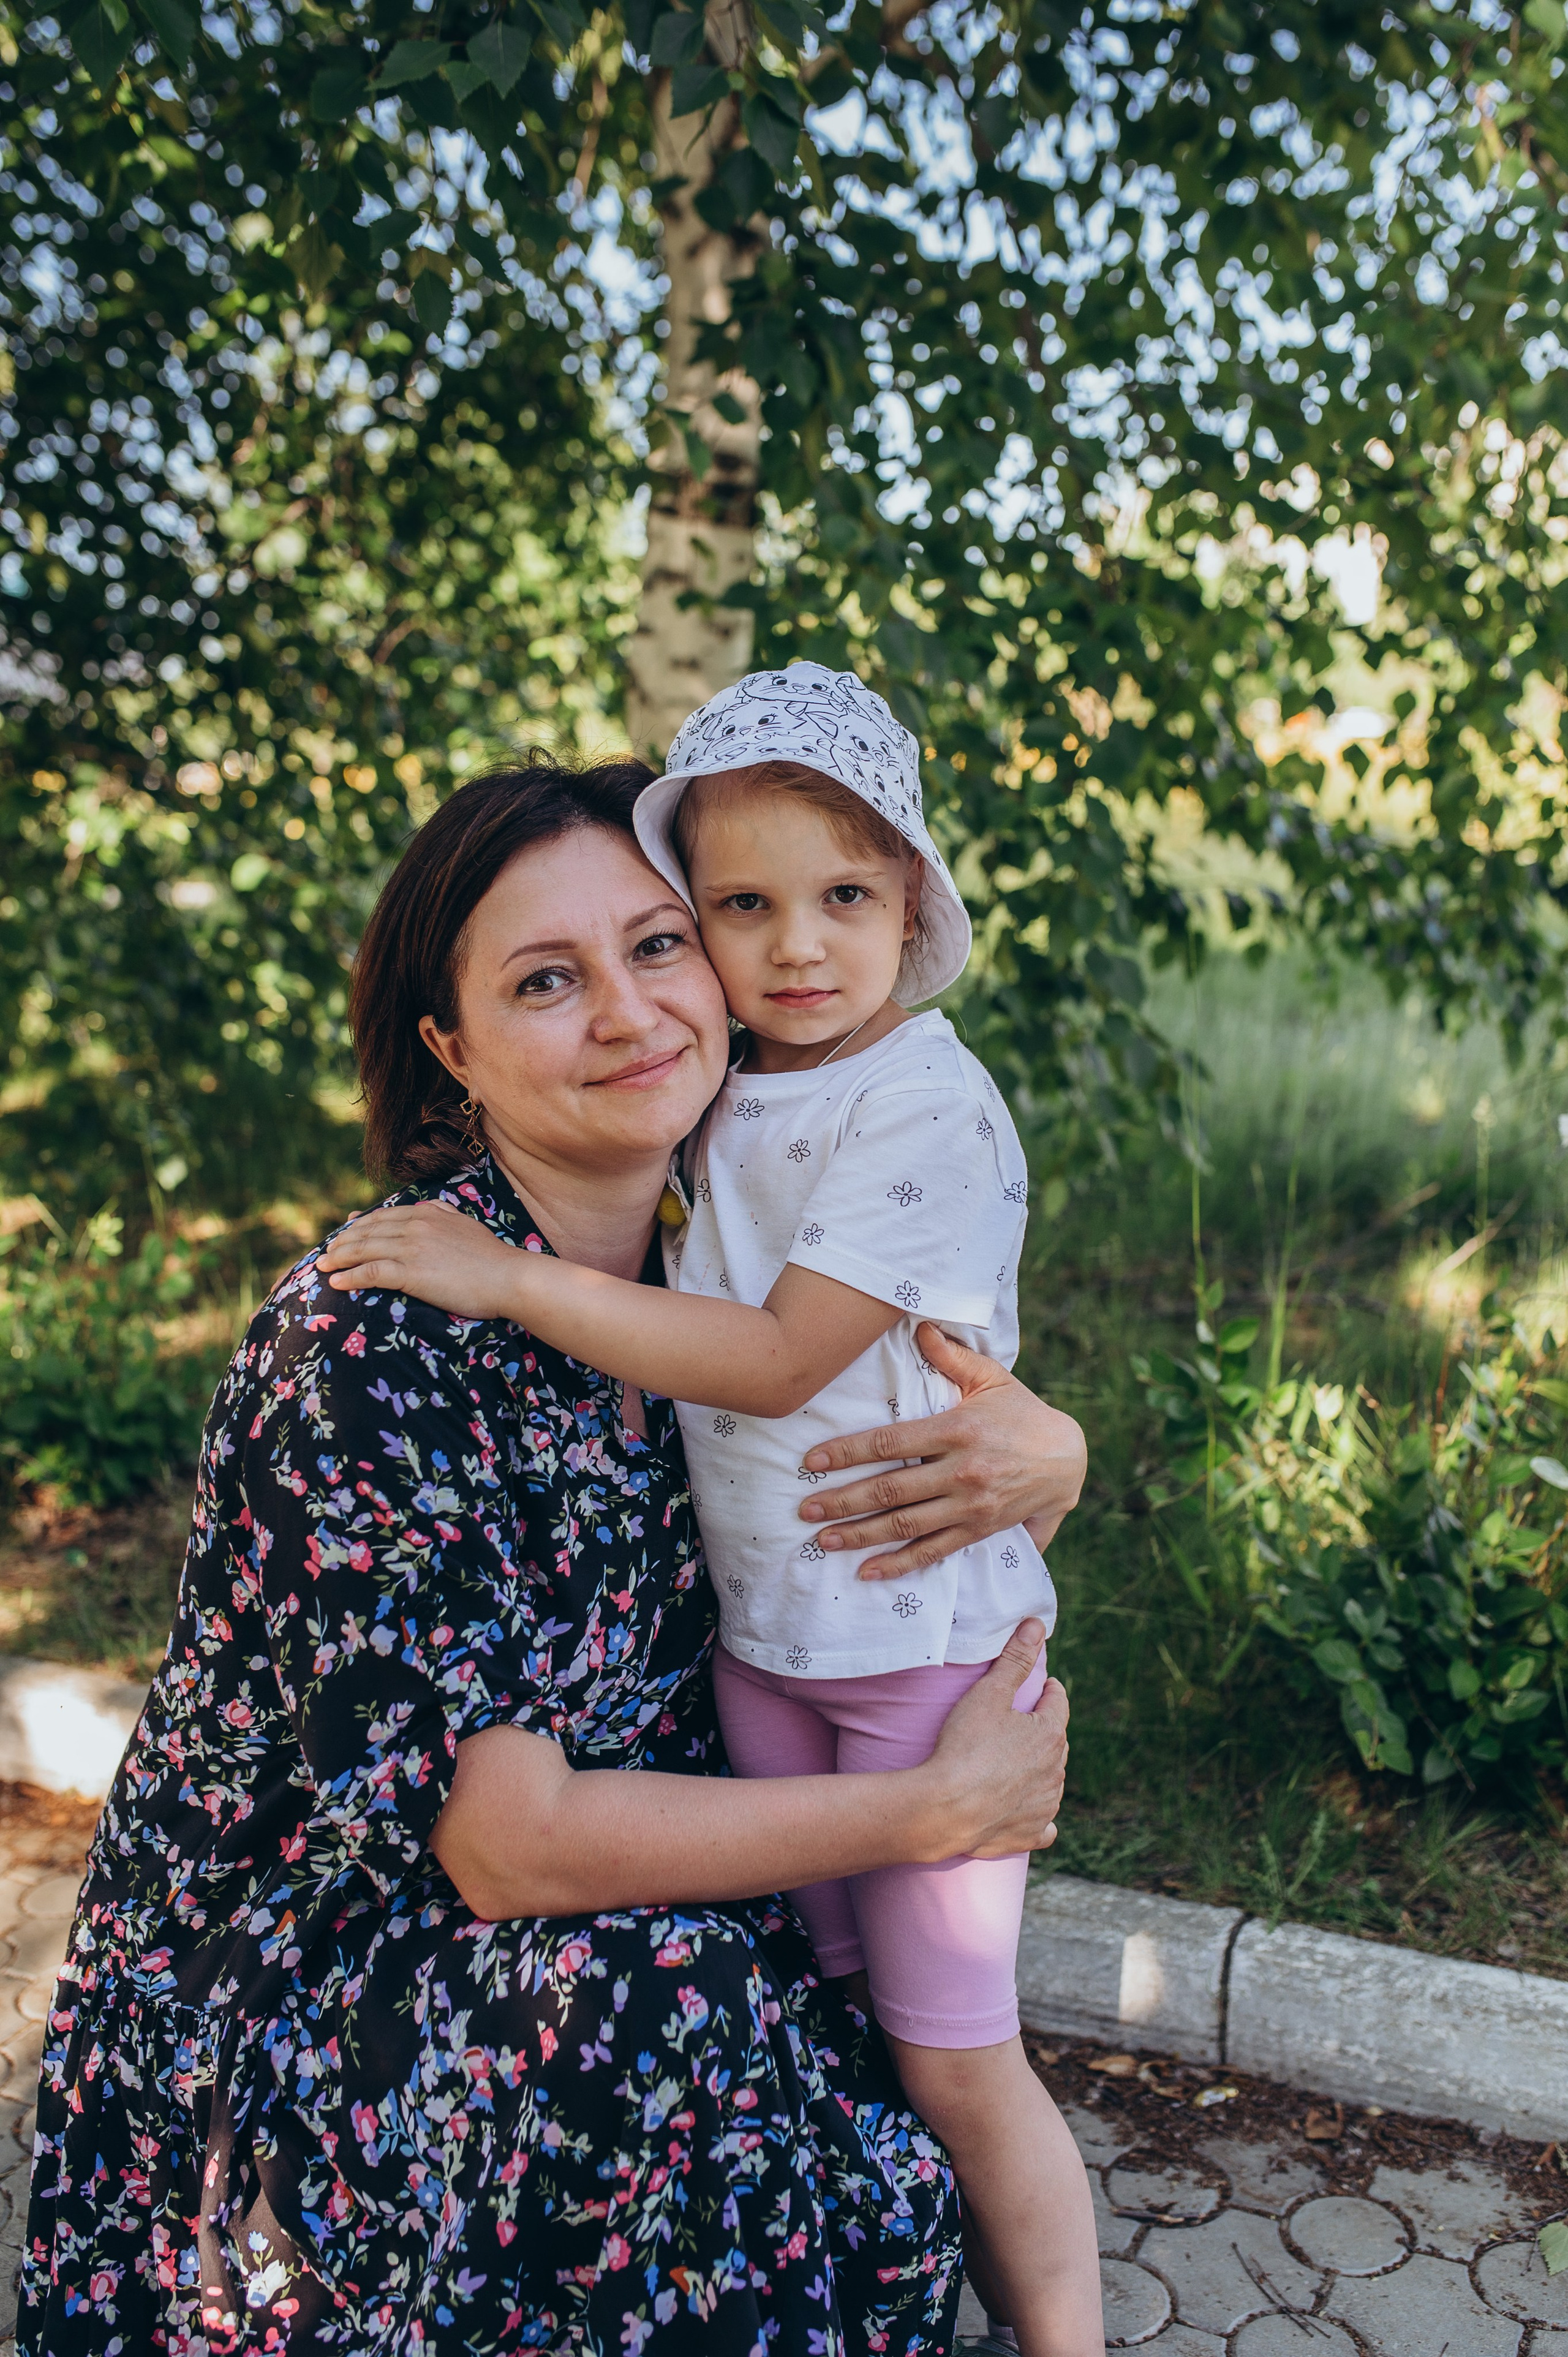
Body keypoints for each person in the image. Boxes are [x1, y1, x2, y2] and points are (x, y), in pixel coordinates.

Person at [20, 747, 1086, 2357]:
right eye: (545, 980)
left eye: (660, 945)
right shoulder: (373, 1352)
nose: (629, 1012)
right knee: (680, 2014)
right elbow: (502, 1852)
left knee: (856, 2088)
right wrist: (926, 1808)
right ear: (450, 1047)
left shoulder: (721, 1280)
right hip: (340, 1983)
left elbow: (866, 1440)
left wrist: (1047, 1454)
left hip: (642, 1886)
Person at [318, 668, 1102, 2357]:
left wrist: (1058, 1455)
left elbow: (772, 1362)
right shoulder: (731, 1095)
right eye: (737, 908)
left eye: (839, 899)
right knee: (832, 2016)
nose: (789, 948)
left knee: (958, 2057)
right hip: (762, 1662)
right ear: (452, 1041)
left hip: (900, 1647)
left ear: (913, 904)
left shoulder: (912, 1101)